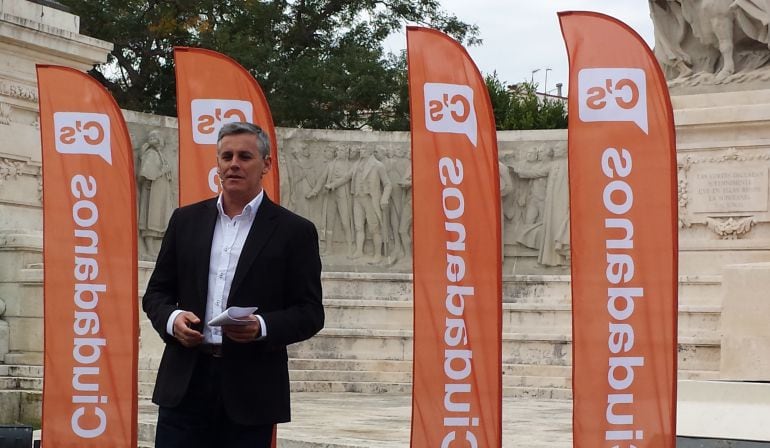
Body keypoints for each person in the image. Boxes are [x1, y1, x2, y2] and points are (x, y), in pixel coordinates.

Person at [142, 122, 324, 448]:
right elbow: (156, 293)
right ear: (218, 164)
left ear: (266, 164)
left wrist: (262, 326)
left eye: (244, 156)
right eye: (226, 156)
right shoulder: (185, 221)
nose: (233, 164)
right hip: (185, 383)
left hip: (251, 391)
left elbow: (310, 312)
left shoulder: (294, 231)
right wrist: (172, 320)